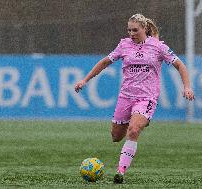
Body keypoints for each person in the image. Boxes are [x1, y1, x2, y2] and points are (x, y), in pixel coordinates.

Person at [74, 13, 195, 183]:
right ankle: (134, 129)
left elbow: (180, 65)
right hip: (126, 97)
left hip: (147, 98)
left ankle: (120, 171)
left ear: (144, 29)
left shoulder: (158, 46)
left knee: (134, 130)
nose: (131, 33)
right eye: (129, 30)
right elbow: (105, 62)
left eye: (135, 30)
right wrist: (85, 80)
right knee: (116, 136)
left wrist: (187, 86)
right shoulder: (124, 45)